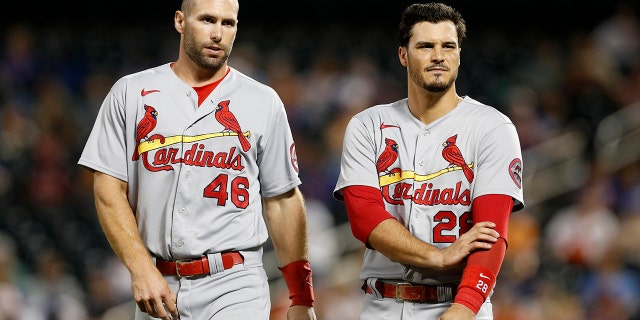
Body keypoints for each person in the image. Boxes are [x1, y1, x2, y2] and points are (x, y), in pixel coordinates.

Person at [77, 0, 317, 319]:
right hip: (159, 282)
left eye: (227, 23)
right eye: (207, 20)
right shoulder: (131, 93)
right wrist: (140, 268)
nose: (218, 33)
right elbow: (108, 189)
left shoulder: (262, 101)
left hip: (235, 283)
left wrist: (302, 297)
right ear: (180, 21)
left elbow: (283, 200)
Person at [332, 3, 525, 320]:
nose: (439, 55)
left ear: (459, 54)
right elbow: (364, 217)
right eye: (425, 46)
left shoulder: (492, 127)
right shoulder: (368, 125)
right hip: (382, 305)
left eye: (448, 46)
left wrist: (464, 307)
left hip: (457, 302)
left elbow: (490, 234)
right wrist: (436, 256)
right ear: (403, 55)